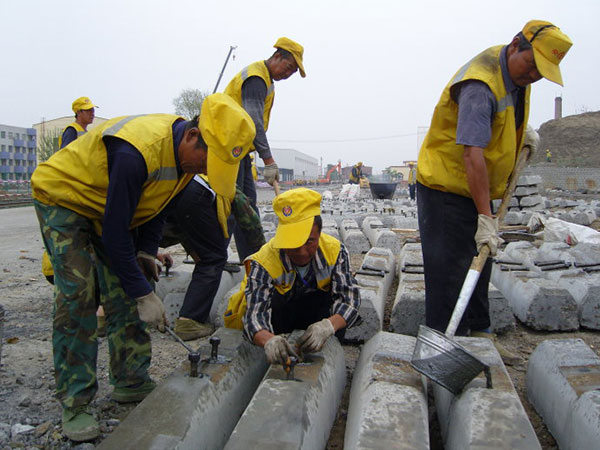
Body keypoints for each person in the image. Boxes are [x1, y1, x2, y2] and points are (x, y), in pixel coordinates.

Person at [31, 93, 255, 442]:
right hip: (65, 197)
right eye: (207, 161)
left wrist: (147, 254)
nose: (206, 170)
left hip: (107, 205)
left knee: (123, 293)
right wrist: (143, 292)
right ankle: (75, 401)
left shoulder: (186, 157)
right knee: (79, 295)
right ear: (194, 137)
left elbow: (156, 205)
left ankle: (131, 381)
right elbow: (118, 234)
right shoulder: (136, 152)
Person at [416, 20, 571, 364]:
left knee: (481, 262)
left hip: (476, 190)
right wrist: (486, 216)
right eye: (531, 65)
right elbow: (473, 155)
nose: (533, 75)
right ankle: (438, 355)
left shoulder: (515, 75)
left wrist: (521, 137)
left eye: (541, 72)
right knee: (448, 273)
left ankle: (480, 339)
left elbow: (500, 123)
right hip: (446, 190)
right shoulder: (480, 85)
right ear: (516, 44)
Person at [223, 188, 361, 364]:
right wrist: (269, 340)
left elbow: (349, 299)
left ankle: (326, 352)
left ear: (319, 233)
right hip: (280, 320)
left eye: (310, 241)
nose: (302, 252)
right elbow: (254, 316)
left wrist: (328, 326)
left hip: (317, 316)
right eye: (293, 243)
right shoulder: (264, 261)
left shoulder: (335, 252)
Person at [223, 36, 306, 261]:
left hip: (240, 153)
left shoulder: (266, 80)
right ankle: (216, 259)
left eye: (291, 73)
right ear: (277, 56)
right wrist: (269, 160)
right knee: (231, 208)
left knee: (248, 209)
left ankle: (254, 259)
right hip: (227, 151)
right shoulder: (256, 78)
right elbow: (254, 122)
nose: (287, 75)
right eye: (288, 68)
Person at [161, 183, 266, 341]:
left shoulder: (189, 178)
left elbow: (185, 230)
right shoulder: (227, 186)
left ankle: (138, 314)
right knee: (214, 259)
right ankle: (189, 321)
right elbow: (250, 222)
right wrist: (263, 252)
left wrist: (197, 256)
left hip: (165, 208)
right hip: (194, 201)